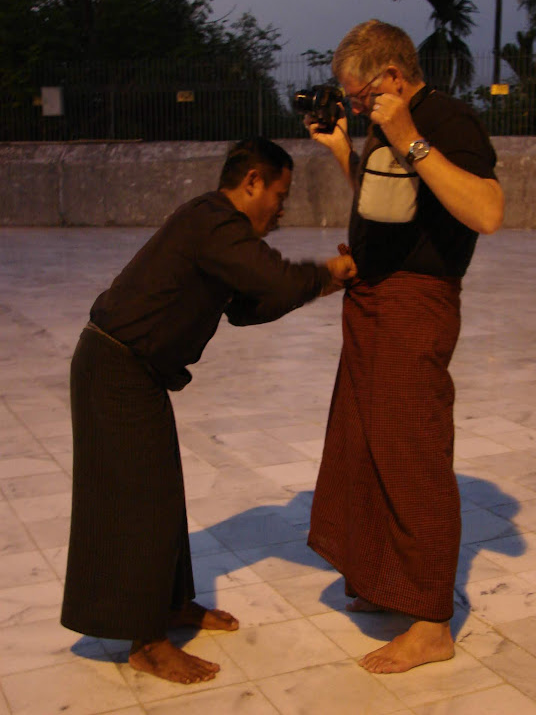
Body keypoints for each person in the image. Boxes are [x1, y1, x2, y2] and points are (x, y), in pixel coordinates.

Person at [61, 136, 357, 685]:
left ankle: (167, 607)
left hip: (136, 371)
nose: (282, 209)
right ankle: (146, 643)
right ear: (251, 183)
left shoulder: (220, 234)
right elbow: (272, 277)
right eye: (280, 194)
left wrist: (321, 285)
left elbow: (248, 307)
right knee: (140, 504)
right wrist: (328, 273)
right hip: (114, 367)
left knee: (162, 496)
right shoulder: (214, 220)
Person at [305, 20, 504, 674]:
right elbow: (389, 208)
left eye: (358, 94)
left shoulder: (446, 120)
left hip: (413, 308)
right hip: (370, 301)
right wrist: (345, 151)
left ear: (391, 76)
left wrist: (408, 139)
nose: (356, 105)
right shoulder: (384, 124)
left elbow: (485, 211)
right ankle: (383, 578)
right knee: (362, 444)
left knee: (411, 451)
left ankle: (430, 621)